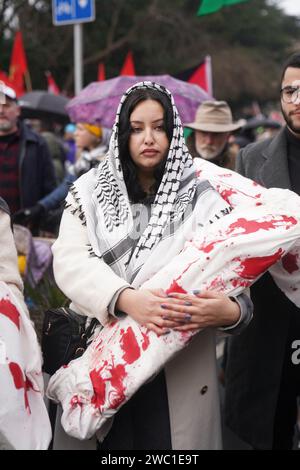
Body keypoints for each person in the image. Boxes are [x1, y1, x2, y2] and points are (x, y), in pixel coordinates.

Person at [50, 82, 253, 450]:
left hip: (177, 367)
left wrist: (228, 311)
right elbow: (70, 259)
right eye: (137, 128)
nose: (149, 138)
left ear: (173, 133)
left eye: (160, 127)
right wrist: (126, 299)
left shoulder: (204, 196)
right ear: (122, 132)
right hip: (104, 354)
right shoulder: (90, 192)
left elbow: (235, 275)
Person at [224, 52, 300, 450]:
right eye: (290, 90)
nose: (297, 99)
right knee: (265, 433)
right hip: (268, 323)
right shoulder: (251, 159)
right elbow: (234, 240)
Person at [16, 122, 108, 236]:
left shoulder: (106, 164)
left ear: (97, 136)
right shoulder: (82, 162)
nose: (75, 134)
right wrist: (41, 207)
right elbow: (66, 186)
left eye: (81, 129)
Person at [0, 84, 56, 234]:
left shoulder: (37, 143)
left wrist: (38, 214)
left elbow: (50, 187)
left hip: (25, 228)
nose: (1, 111)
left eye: (6, 105)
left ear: (18, 110)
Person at [185, 100, 244, 170]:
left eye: (216, 134)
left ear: (228, 136)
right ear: (195, 133)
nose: (209, 141)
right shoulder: (177, 161)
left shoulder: (239, 166)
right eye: (204, 133)